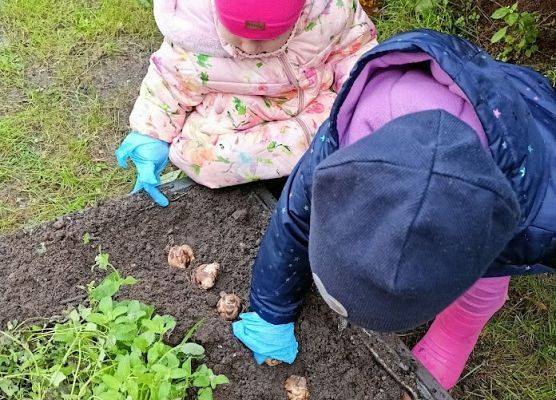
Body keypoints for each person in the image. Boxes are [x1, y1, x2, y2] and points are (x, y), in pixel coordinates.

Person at [232, 29, 556, 390]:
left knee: (481, 291)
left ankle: (443, 350)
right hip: (472, 96)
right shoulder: (343, 145)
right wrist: (270, 308)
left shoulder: (542, 226)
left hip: (532, 124)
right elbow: (294, 217)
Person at [115, 0, 377, 206]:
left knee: (351, 128)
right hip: (237, 124)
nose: (250, 47)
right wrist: (150, 134)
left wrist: (366, 98)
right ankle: (310, 160)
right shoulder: (194, 35)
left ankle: (314, 156)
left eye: (265, 39)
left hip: (313, 107)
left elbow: (354, 50)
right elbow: (168, 81)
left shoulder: (327, 15)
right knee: (203, 158)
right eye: (238, 37)